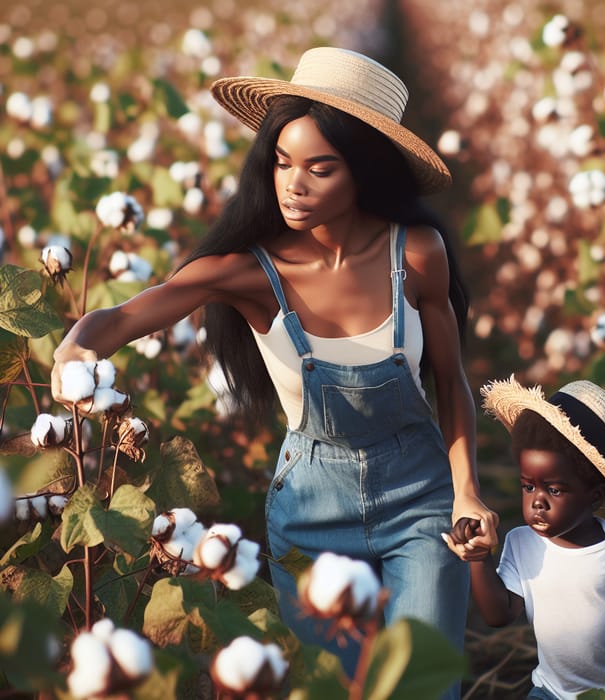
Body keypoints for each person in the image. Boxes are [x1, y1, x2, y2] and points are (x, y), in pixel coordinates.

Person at [50, 47, 495, 695]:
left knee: (424, 682)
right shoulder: (250, 273)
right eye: (283, 163)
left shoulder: (417, 254)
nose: (294, 184)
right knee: (327, 685)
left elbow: (450, 383)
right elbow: (119, 319)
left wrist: (468, 490)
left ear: (364, 173)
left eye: (321, 168)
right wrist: (76, 350)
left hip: (422, 497)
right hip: (312, 508)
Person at [454, 375, 605, 700]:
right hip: (552, 690)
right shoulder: (521, 543)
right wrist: (479, 558)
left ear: (595, 496)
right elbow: (498, 614)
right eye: (528, 486)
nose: (537, 501)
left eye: (554, 490)